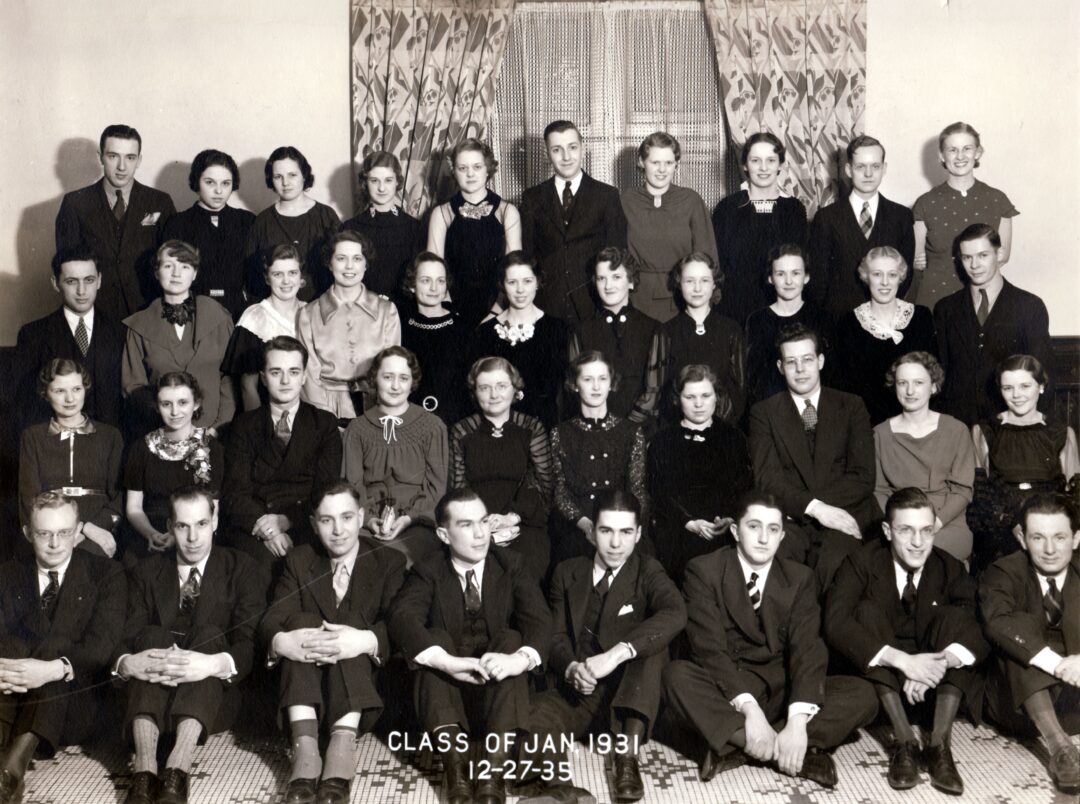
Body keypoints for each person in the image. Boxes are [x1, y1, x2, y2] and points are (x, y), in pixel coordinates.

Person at [663, 493, 878, 789]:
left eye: (773, 530)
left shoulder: (799, 577)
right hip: (732, 689)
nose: (764, 538)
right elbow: (709, 652)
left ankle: (741, 746)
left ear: (782, 537)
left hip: (781, 691)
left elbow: (808, 650)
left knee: (864, 694)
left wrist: (798, 722)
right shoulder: (704, 570)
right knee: (676, 676)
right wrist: (750, 711)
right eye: (754, 527)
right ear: (736, 532)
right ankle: (782, 753)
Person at [388, 489, 551, 804]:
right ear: (443, 534)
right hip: (447, 700)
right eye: (466, 525)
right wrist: (447, 662)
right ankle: (456, 774)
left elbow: (541, 621)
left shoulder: (511, 563)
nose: (480, 534)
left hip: (500, 698)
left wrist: (520, 659)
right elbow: (401, 616)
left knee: (512, 639)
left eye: (484, 521)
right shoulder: (428, 570)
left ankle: (493, 776)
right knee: (433, 640)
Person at [523, 490, 686, 803]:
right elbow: (555, 636)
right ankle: (561, 789)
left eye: (626, 532)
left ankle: (627, 758)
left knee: (651, 646)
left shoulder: (648, 571)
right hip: (580, 691)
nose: (615, 543)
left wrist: (617, 653)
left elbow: (676, 612)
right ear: (591, 531)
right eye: (606, 531)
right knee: (529, 716)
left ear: (638, 535)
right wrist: (571, 669)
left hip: (630, 697)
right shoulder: (566, 572)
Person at [824, 488, 989, 795]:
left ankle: (940, 745)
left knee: (957, 619)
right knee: (865, 612)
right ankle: (904, 742)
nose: (918, 542)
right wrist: (903, 662)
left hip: (933, 693)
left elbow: (980, 626)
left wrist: (938, 665)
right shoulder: (861, 562)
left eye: (926, 531)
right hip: (883, 688)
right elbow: (835, 622)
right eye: (906, 530)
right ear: (887, 531)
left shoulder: (947, 566)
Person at [114, 486, 266, 804]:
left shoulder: (242, 568)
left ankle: (176, 770)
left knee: (209, 634)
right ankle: (143, 770)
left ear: (215, 521)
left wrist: (211, 664)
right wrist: (129, 662)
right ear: (170, 527)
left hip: (209, 703)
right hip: (150, 697)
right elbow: (126, 638)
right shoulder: (147, 571)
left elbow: (248, 644)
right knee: (152, 636)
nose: (193, 537)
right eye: (183, 526)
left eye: (200, 524)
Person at [260, 481, 406, 804]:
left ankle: (341, 750)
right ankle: (306, 752)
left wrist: (363, 641)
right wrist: (284, 642)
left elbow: (401, 627)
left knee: (352, 626)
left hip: (363, 694)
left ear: (361, 517)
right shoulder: (300, 560)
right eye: (327, 520)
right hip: (306, 692)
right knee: (298, 623)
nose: (338, 530)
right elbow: (272, 618)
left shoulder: (389, 562)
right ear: (313, 523)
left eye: (347, 518)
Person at [0, 492, 126, 802]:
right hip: (11, 695)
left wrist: (50, 669)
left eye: (64, 533)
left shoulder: (106, 575)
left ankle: (12, 767)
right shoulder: (7, 574)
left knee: (55, 647)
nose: (55, 543)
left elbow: (102, 646)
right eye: (44, 534)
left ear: (79, 530)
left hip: (75, 705)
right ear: (29, 533)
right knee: (11, 643)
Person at [749, 322, 877, 588]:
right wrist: (815, 509)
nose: (800, 369)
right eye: (791, 361)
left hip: (846, 513)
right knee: (778, 571)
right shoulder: (764, 413)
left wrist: (827, 510)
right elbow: (768, 480)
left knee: (834, 566)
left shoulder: (851, 406)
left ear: (820, 361)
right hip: (793, 518)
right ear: (780, 367)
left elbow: (863, 477)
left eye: (807, 359)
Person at [979, 493, 1080, 796]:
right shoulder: (1004, 571)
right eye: (1038, 537)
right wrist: (1054, 663)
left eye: (1059, 537)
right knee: (1018, 636)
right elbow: (997, 620)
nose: (1050, 550)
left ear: (1076, 539)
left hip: (1073, 702)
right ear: (1021, 538)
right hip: (1018, 705)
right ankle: (1061, 749)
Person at [223, 337, 342, 572]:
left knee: (306, 563)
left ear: (304, 376)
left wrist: (285, 520)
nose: (286, 381)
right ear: (264, 378)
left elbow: (326, 490)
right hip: (255, 524)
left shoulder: (324, 424)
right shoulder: (244, 426)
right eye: (276, 372)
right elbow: (234, 492)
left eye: (294, 371)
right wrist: (266, 528)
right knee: (256, 566)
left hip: (305, 522)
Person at [970, 355, 1080, 575]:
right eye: (1008, 388)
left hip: (1049, 520)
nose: (1017, 395)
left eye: (1025, 386)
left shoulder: (1060, 433)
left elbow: (1073, 495)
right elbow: (981, 495)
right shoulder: (985, 431)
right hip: (1000, 524)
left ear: (1041, 387)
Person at [934, 223, 1053, 427]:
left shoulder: (1029, 305)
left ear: (999, 254)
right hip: (957, 425)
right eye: (967, 257)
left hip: (1010, 426)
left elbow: (1043, 374)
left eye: (983, 255)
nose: (974, 265)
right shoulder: (945, 308)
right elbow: (940, 373)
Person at [54, 124, 176, 320]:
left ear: (139, 160)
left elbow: (173, 261)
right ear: (100, 156)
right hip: (94, 315)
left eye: (130, 157)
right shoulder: (75, 203)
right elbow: (67, 267)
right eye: (113, 156)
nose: (122, 167)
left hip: (148, 314)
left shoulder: (160, 202)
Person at [647, 365, 752, 585]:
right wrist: (689, 522)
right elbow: (658, 492)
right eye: (690, 396)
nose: (698, 404)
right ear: (678, 399)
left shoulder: (733, 438)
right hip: (678, 530)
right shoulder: (662, 441)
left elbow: (744, 486)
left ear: (717, 397)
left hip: (723, 531)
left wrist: (729, 518)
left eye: (705, 395)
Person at [342, 346, 447, 565]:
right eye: (388, 377)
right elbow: (352, 486)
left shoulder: (432, 426)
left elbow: (437, 489)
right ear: (374, 379)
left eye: (403, 378)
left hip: (417, 522)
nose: (396, 386)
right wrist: (370, 521)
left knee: (403, 561)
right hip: (368, 522)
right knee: (360, 562)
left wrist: (408, 518)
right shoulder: (357, 429)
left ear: (412, 382)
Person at [450, 357, 553, 578]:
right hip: (475, 522)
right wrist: (480, 521)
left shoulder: (531, 428)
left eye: (501, 386)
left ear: (515, 389)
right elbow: (458, 487)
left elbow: (543, 483)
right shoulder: (461, 431)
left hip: (523, 521)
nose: (494, 395)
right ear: (475, 393)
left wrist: (512, 517)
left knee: (526, 569)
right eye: (485, 388)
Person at [122, 240, 236, 438]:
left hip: (213, 433)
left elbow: (229, 377)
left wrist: (218, 428)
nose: (176, 273)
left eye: (185, 266)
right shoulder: (140, 325)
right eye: (168, 266)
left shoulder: (219, 316)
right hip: (161, 434)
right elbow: (133, 388)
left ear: (195, 273)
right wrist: (165, 429)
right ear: (157, 273)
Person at [519, 119, 628, 323]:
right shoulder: (532, 198)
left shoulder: (607, 196)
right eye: (557, 150)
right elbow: (527, 255)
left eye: (572, 147)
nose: (566, 157)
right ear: (546, 154)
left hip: (594, 306)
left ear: (583, 148)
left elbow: (618, 255)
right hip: (546, 306)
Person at [550, 351, 648, 569]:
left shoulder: (631, 431)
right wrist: (585, 524)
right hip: (578, 526)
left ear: (611, 384)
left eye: (602, 379)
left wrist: (623, 528)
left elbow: (637, 489)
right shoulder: (560, 433)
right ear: (575, 385)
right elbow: (560, 489)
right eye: (587, 379)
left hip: (620, 523)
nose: (596, 387)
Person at [874, 353, 975, 562]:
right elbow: (879, 490)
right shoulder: (879, 434)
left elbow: (962, 491)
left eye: (918, 383)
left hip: (945, 522)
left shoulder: (956, 430)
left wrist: (933, 524)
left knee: (933, 558)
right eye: (903, 383)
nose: (910, 391)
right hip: (900, 520)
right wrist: (899, 525)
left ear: (934, 386)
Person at [18, 359, 123, 559]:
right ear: (45, 394)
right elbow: (28, 497)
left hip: (98, 527)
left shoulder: (110, 436)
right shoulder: (32, 437)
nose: (70, 399)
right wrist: (66, 531)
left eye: (76, 389)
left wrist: (94, 528)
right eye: (59, 391)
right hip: (52, 527)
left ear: (85, 389)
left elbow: (118, 496)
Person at [296, 230, 401, 421]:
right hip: (325, 407)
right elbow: (308, 375)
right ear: (330, 263)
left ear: (366, 264)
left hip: (376, 406)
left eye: (357, 258)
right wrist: (325, 420)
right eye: (341, 258)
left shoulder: (387, 311)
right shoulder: (308, 314)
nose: (350, 266)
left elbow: (392, 370)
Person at [808, 135, 915, 323]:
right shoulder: (826, 218)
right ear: (848, 169)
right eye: (860, 167)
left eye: (875, 166)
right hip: (839, 323)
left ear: (884, 169)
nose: (868, 174)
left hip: (885, 322)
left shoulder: (902, 217)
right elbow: (818, 282)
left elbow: (905, 276)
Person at [14, 247, 124, 429]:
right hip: (56, 445)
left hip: (110, 446)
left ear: (99, 281)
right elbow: (25, 405)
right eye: (72, 281)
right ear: (56, 283)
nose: (82, 291)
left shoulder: (121, 331)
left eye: (89, 280)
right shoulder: (33, 334)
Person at [912, 122, 1019, 307]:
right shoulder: (925, 203)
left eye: (967, 148)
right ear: (941, 156)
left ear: (978, 153)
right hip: (935, 300)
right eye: (952, 150)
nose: (960, 156)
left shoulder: (997, 200)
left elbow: (1002, 256)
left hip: (981, 299)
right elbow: (917, 260)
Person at [124, 373, 225, 560]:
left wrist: (178, 536)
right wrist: (151, 534)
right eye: (166, 404)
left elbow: (213, 510)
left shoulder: (212, 448)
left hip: (195, 534)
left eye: (183, 403)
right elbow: (134, 508)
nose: (175, 412)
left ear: (196, 404)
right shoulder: (141, 448)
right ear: (157, 406)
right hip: (151, 533)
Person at [832, 247, 937, 425]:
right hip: (866, 424)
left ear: (901, 277)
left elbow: (933, 375)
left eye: (892, 275)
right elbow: (845, 388)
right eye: (877, 274)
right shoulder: (849, 323)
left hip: (916, 422)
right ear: (866, 277)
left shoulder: (921, 317)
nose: (885, 282)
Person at [620, 131, 717, 321]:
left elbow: (708, 255)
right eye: (655, 163)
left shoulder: (691, 200)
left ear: (676, 165)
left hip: (683, 296)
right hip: (636, 297)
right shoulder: (626, 201)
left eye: (669, 163)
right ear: (641, 162)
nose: (662, 170)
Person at [713, 132, 807, 326]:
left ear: (780, 165)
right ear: (745, 165)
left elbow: (800, 264)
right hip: (735, 309)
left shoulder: (794, 209)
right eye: (756, 160)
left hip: (781, 305)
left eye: (771, 160)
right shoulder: (727, 208)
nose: (763, 168)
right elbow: (718, 263)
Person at [427, 139, 522, 329]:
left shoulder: (507, 211)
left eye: (477, 167)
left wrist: (496, 312)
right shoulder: (442, 213)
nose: (470, 174)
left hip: (499, 308)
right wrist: (447, 310)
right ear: (454, 171)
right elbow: (433, 270)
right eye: (462, 168)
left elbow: (515, 270)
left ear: (488, 168)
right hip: (452, 309)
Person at [468, 252, 568, 428]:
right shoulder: (484, 333)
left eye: (527, 281)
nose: (520, 290)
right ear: (502, 285)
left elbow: (565, 391)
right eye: (512, 282)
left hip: (544, 427)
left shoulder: (558, 329)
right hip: (498, 428)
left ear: (537, 282)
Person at [568, 248, 664, 428]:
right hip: (594, 428)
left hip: (640, 428)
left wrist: (626, 429)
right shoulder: (581, 330)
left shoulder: (652, 328)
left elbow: (654, 390)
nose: (608, 286)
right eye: (601, 278)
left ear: (631, 282)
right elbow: (575, 387)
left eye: (616, 277)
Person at [162, 149, 255, 320]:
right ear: (197, 181)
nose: (218, 191)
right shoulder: (178, 223)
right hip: (191, 313)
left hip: (239, 314)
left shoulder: (247, 221)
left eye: (226, 183)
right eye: (210, 182)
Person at [246, 146, 341, 300]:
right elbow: (252, 276)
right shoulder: (262, 221)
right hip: (277, 313)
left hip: (322, 310)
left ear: (304, 176)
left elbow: (341, 266)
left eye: (292, 175)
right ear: (271, 180)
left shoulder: (326, 216)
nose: (285, 182)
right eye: (278, 177)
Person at [661, 252, 745, 423]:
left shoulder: (731, 330)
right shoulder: (666, 332)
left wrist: (715, 427)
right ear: (679, 284)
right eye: (689, 281)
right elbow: (661, 392)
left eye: (704, 280)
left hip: (722, 430)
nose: (697, 288)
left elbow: (739, 389)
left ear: (714, 284)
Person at [222, 244, 307, 412]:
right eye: (277, 274)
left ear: (300, 276)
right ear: (267, 278)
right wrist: (261, 428)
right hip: (267, 414)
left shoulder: (311, 312)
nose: (286, 281)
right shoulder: (254, 318)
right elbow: (248, 387)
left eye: (292, 273)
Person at [745, 244, 830, 407]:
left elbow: (829, 374)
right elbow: (754, 377)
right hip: (772, 408)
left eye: (796, 273)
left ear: (806, 277)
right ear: (770, 278)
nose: (789, 281)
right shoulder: (757, 320)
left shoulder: (821, 317)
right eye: (780, 274)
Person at [397, 252, 468, 426]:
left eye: (440, 281)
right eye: (426, 280)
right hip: (408, 422)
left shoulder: (463, 328)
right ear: (412, 285)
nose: (434, 288)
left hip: (454, 422)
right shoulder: (400, 326)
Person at [341, 151, 423, 299]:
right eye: (374, 181)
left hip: (405, 310)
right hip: (362, 308)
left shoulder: (414, 227)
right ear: (365, 183)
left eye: (388, 180)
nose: (381, 188)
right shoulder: (350, 228)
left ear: (397, 181)